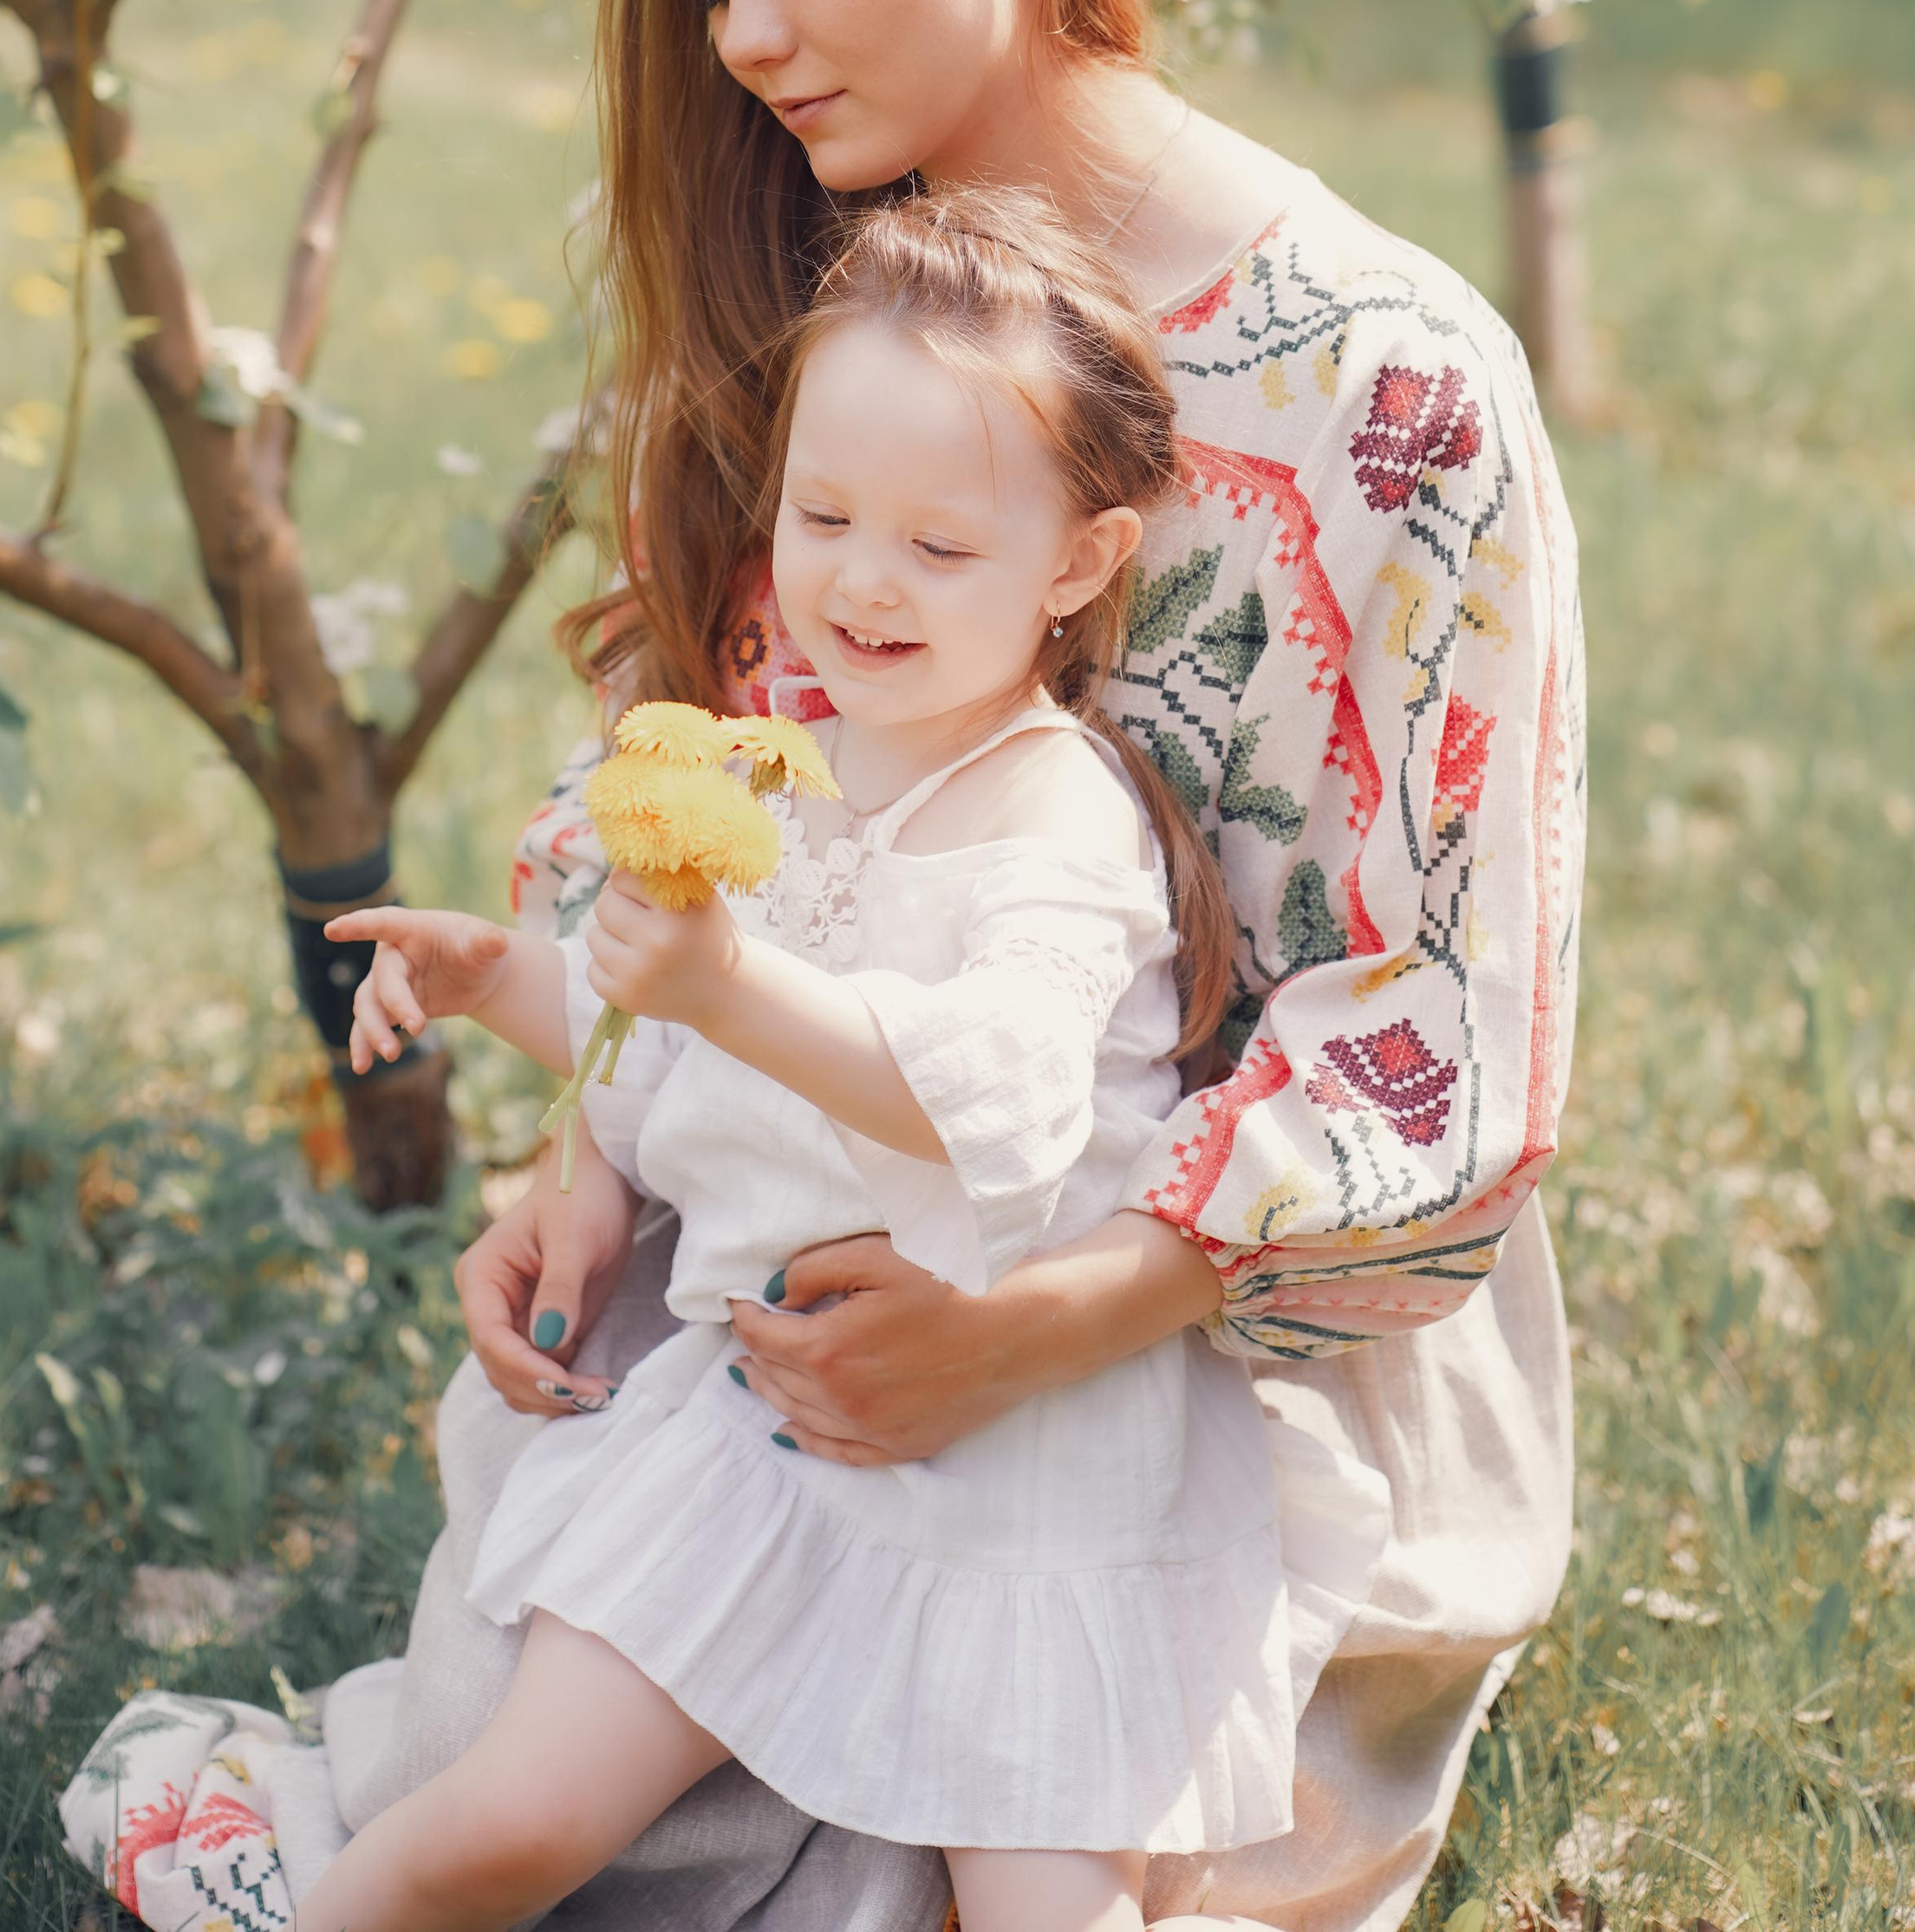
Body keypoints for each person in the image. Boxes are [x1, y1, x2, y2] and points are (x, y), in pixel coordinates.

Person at [62, 0, 1582, 1930]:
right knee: (570, 1802)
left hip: (1222, 1335)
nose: (748, 39)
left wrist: (1045, 1323)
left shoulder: (1390, 386)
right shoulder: (837, 314)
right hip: (816, 1221)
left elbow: (1442, 1047)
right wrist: (596, 1158)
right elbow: (731, 801)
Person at [303, 191, 1391, 1932]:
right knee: (500, 1824)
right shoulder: (795, 763)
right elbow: (670, 1043)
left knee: (1047, 1908)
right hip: (765, 1439)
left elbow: (998, 1100)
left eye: (939, 550)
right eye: (821, 516)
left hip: (1031, 1469)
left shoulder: (1054, 811)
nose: (860, 582)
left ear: (1075, 566)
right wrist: (495, 973)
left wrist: (723, 985)